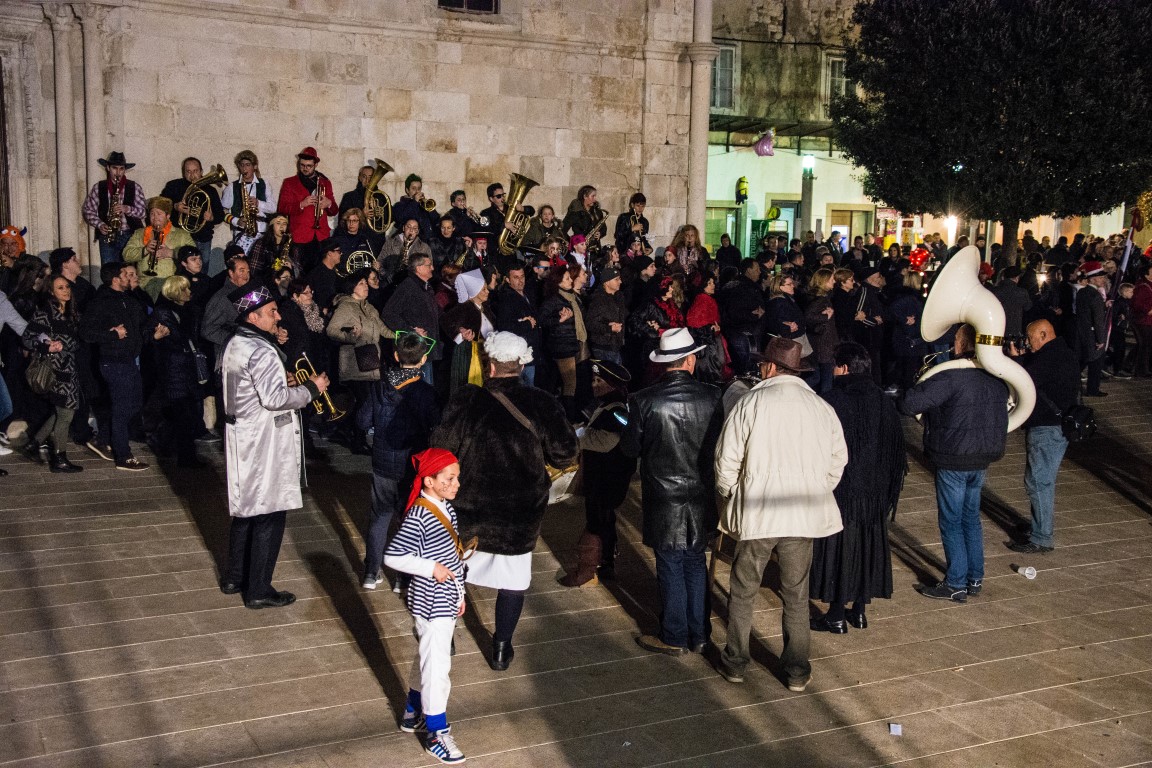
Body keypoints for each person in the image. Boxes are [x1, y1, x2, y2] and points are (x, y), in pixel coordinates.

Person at [430, 332, 578, 671]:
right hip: (519, 513)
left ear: (489, 364)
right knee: (512, 583)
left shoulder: (466, 400)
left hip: (468, 509)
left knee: (454, 575)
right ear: (521, 364)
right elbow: (565, 453)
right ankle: (500, 648)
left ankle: (446, 637)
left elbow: (441, 447)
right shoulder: (542, 402)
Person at [714, 336, 847, 691]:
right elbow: (838, 461)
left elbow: (726, 460)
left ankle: (736, 663)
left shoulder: (751, 402)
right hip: (802, 513)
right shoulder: (821, 407)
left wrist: (732, 494)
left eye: (762, 365)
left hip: (759, 511)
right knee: (796, 594)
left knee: (743, 589)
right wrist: (818, 488)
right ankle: (796, 671)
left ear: (771, 367)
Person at [219, 284, 326, 608]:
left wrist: (285, 379)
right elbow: (276, 399)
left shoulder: (237, 342)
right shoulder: (262, 350)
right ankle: (259, 589)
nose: (278, 316)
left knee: (246, 510)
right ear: (254, 315)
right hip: (264, 440)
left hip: (242, 435)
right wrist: (311, 389)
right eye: (272, 312)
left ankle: (235, 576)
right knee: (269, 513)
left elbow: (253, 386)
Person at [621, 328, 723, 655]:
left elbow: (629, 448)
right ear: (691, 360)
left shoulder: (643, 400)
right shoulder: (714, 397)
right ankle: (700, 632)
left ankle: (674, 634)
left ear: (665, 363)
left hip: (663, 496)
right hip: (701, 493)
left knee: (669, 564)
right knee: (695, 561)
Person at [899, 324, 1009, 602]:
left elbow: (908, 404)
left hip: (953, 457)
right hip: (982, 458)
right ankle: (974, 578)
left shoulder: (951, 377)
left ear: (960, 345)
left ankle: (955, 583)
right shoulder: (996, 378)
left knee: (951, 521)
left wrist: (923, 382)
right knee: (971, 518)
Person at [809, 342, 905, 633]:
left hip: (844, 489)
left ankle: (836, 614)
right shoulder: (883, 401)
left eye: (836, 366)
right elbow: (895, 452)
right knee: (866, 546)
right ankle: (859, 611)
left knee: (841, 549)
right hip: (874, 490)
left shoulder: (832, 400)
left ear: (845, 368)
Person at [384, 448, 469, 765]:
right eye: (449, 478)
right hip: (431, 603)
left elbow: (453, 558)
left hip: (445, 599)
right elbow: (392, 556)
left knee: (431, 658)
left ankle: (412, 711)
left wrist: (459, 594)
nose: (456, 483)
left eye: (457, 477)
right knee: (438, 669)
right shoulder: (420, 515)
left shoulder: (447, 509)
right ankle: (436, 733)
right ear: (429, 481)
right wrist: (429, 568)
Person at [359, 333, 441, 590]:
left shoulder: (379, 387)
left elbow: (362, 421)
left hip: (383, 461)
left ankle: (371, 573)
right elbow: (436, 428)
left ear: (396, 356)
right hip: (412, 465)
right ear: (424, 359)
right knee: (408, 520)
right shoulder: (427, 394)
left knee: (379, 517)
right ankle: (403, 578)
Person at [80, 261, 166, 470]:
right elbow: (85, 333)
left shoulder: (129, 300)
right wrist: (112, 333)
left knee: (134, 405)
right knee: (123, 408)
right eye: (125, 275)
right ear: (115, 279)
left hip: (128, 361)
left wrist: (154, 335)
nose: (130, 277)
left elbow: (139, 330)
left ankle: (104, 438)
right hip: (113, 362)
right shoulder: (100, 302)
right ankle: (123, 455)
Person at [558, 359, 635, 587]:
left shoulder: (618, 410)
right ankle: (604, 562)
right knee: (603, 519)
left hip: (607, 477)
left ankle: (589, 568)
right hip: (598, 475)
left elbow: (606, 440)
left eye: (600, 380)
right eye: (593, 379)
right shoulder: (604, 405)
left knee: (598, 521)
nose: (594, 384)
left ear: (613, 385)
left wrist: (577, 438)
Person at [1006, 320, 1080, 554]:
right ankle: (1039, 526)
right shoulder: (1063, 353)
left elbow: (1024, 382)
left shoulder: (1049, 357)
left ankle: (1042, 537)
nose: (1028, 344)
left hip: (1047, 428)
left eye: (1031, 339)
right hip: (1057, 426)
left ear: (1043, 334)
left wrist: (1016, 359)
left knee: (1039, 482)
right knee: (1040, 480)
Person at [20, 274, 84, 473]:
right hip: (54, 370)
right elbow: (27, 339)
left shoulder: (71, 313)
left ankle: (34, 444)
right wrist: (47, 346)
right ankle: (59, 458)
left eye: (67, 287)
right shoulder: (44, 314)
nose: (66, 291)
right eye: (60, 288)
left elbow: (76, 342)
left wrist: (65, 344)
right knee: (66, 413)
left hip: (69, 367)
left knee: (61, 412)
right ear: (51, 292)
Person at [151, 275, 207, 467]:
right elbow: (173, 338)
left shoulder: (190, 311)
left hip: (187, 368)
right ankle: (186, 457)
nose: (189, 292)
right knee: (182, 414)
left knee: (182, 414)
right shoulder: (164, 312)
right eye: (185, 289)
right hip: (174, 369)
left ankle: (165, 445)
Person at [382, 253, 443, 384]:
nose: (432, 268)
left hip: (426, 347)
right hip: (415, 350)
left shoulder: (425, 286)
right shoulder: (408, 286)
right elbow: (388, 313)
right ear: (418, 268)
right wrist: (410, 330)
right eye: (428, 265)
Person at [540, 264, 589, 421]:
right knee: (570, 384)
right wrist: (559, 319)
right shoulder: (554, 300)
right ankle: (570, 418)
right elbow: (542, 319)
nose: (570, 281)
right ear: (558, 282)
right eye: (567, 279)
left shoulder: (572, 297)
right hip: (562, 346)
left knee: (568, 382)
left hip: (573, 343)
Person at [277, 147, 338, 273]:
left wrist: (329, 203)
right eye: (302, 165)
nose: (305, 168)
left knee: (321, 272)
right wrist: (301, 204)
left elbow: (334, 211)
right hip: (300, 236)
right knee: (303, 274)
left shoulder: (325, 182)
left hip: (321, 236)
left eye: (309, 166)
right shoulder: (289, 182)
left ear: (315, 164)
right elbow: (282, 208)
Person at [122, 196, 195, 300]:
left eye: (159, 214)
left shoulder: (182, 235)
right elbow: (126, 255)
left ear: (168, 216)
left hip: (172, 283)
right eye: (152, 214)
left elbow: (194, 255)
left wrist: (171, 253)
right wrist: (145, 250)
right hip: (145, 283)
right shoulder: (139, 233)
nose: (155, 217)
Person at [82, 151, 147, 265]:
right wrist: (100, 224)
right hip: (108, 236)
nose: (118, 172)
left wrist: (127, 209)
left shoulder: (134, 187)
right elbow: (88, 210)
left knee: (130, 270)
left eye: (121, 169)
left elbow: (143, 213)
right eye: (114, 168)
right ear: (108, 168)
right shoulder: (99, 187)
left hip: (130, 235)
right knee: (109, 271)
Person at [160, 157, 225, 265]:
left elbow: (220, 215)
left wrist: (211, 217)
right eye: (188, 171)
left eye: (195, 171)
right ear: (183, 173)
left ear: (201, 172)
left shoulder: (211, 191)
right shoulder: (173, 186)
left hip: (202, 238)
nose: (192, 175)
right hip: (178, 237)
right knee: (177, 268)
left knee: (201, 269)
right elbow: (160, 204)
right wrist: (175, 206)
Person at [221, 149, 278, 256]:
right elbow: (221, 211)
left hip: (262, 231)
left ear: (254, 166)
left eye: (247, 165)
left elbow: (273, 208)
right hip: (242, 232)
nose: (244, 168)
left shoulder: (264, 184)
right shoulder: (232, 187)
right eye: (242, 165)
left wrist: (258, 203)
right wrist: (236, 221)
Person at [492, 263, 540, 385]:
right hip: (519, 356)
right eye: (516, 277)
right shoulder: (506, 299)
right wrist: (527, 324)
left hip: (530, 352)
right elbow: (505, 327)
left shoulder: (527, 293)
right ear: (507, 279)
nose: (520, 280)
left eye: (522, 276)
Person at [1076, 261, 1110, 397]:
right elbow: (1098, 321)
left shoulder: (1082, 292)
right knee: (1095, 362)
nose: (1103, 280)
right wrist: (1101, 339)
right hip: (1092, 333)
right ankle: (1092, 389)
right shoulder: (1095, 296)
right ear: (1093, 278)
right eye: (1101, 277)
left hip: (1082, 332)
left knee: (1083, 360)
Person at [585, 266, 627, 365]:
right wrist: (609, 328)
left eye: (619, 278)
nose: (620, 282)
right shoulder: (598, 300)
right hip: (603, 347)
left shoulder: (618, 297)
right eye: (616, 279)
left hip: (615, 345)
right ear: (607, 282)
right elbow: (590, 323)